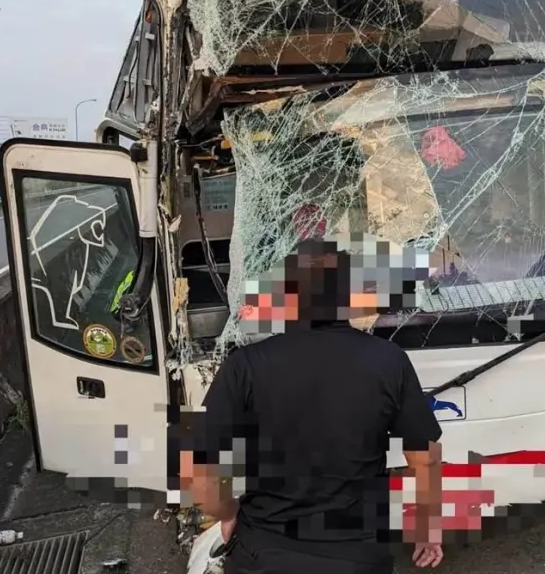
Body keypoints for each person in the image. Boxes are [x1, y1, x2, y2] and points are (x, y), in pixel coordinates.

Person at [180, 237, 444, 573]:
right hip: (357, 558)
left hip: (263, 555)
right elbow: (426, 460)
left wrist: (229, 513)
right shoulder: (390, 361)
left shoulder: (244, 365)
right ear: (349, 297)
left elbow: (198, 475)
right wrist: (427, 530)